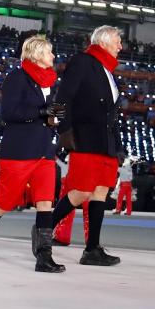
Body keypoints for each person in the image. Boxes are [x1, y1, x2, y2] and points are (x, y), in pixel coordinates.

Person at [0, 34, 65, 273]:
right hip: (19, 150)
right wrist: (42, 111)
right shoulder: (17, 78)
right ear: (38, 54)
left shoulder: (51, 81)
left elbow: (53, 116)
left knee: (45, 203)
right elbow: (9, 113)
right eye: (49, 52)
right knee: (5, 202)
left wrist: (56, 116)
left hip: (44, 150)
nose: (53, 56)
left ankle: (44, 257)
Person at [48, 25, 126, 267]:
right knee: (81, 191)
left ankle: (92, 249)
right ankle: (43, 227)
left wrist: (119, 145)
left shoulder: (108, 72)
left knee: (101, 191)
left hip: (106, 142)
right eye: (117, 41)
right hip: (85, 137)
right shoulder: (83, 62)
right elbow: (61, 98)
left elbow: (112, 115)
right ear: (102, 42)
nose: (120, 46)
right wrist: (61, 130)